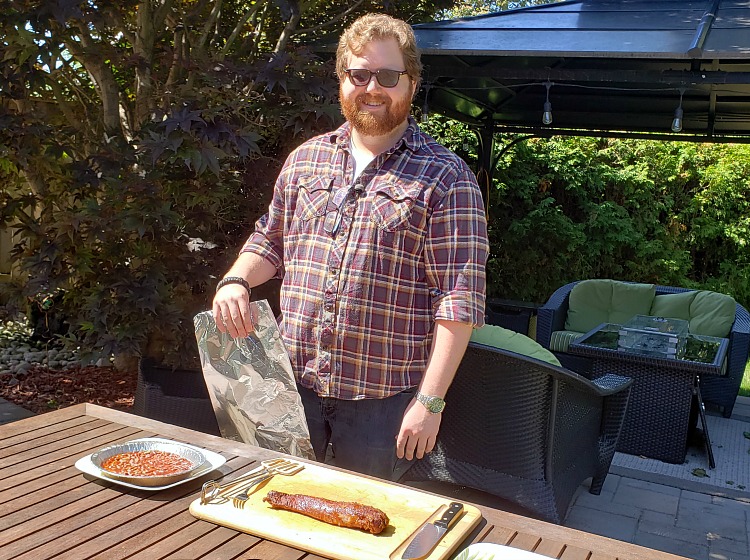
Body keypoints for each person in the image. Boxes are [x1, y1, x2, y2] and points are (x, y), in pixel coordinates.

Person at [213, 12, 488, 480]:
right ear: (342, 81)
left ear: (412, 83)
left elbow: (458, 302)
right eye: (359, 75)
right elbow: (271, 239)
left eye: (387, 75)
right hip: (289, 386)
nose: (373, 88)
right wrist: (236, 279)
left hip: (383, 406)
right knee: (275, 502)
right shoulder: (305, 160)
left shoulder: (447, 178)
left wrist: (431, 401)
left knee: (367, 523)